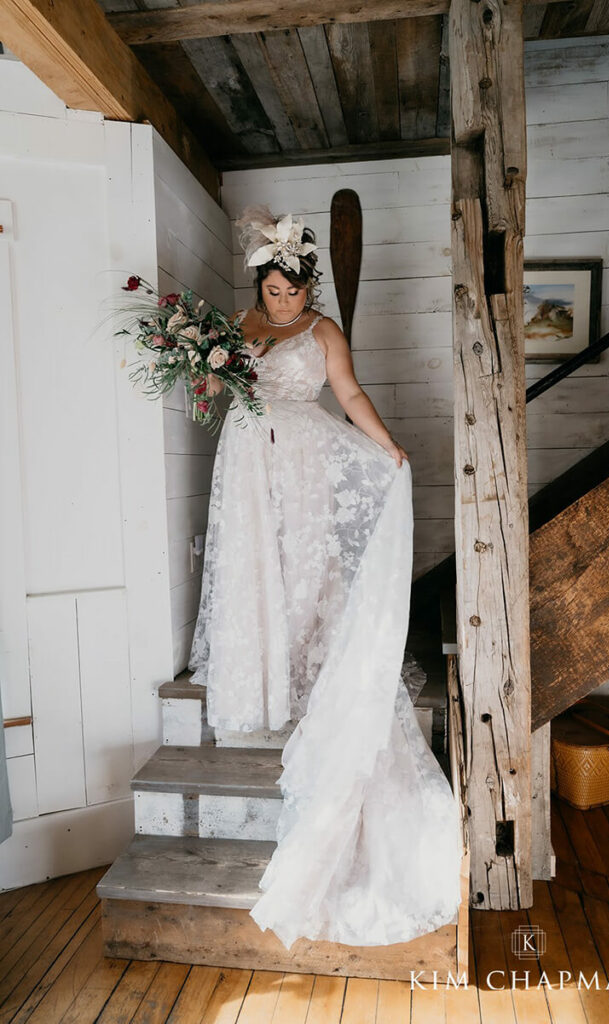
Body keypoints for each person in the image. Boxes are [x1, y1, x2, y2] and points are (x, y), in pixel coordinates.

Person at [188, 205, 462, 950]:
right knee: (257, 566)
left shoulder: (324, 333)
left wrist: (390, 447)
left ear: (309, 283)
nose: (284, 301)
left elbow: (349, 396)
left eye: (293, 290)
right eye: (273, 291)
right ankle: (267, 676)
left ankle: (315, 669)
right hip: (247, 463)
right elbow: (213, 401)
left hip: (305, 458)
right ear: (260, 285)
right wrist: (208, 378)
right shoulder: (235, 329)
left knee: (310, 568)